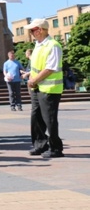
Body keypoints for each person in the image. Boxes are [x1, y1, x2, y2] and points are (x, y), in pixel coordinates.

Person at [25, 19, 64, 158]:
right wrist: (31, 78)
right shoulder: (38, 45)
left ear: (40, 30)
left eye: (32, 30)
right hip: (37, 87)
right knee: (36, 118)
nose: (31, 33)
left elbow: (50, 68)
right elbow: (37, 67)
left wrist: (34, 80)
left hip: (50, 89)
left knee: (49, 119)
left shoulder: (53, 45)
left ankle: (56, 148)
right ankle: (40, 144)